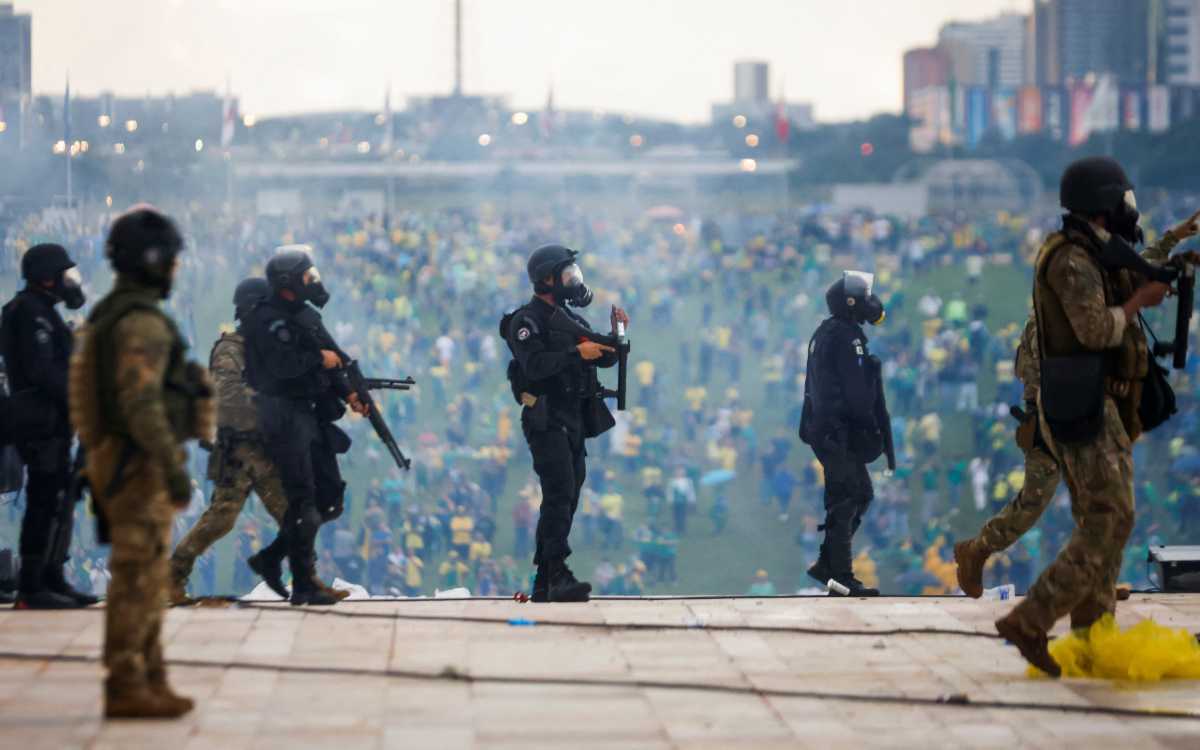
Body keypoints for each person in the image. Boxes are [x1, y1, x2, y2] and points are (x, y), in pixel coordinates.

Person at [994, 157, 1200, 676]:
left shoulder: (1090, 249)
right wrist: (1139, 304)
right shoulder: (1069, 259)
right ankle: (1032, 617)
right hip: (1083, 402)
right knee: (1112, 516)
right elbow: (1092, 328)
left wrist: (1171, 251)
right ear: (1104, 203)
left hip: (1100, 403)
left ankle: (1091, 633)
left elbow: (1133, 267)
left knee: (1104, 519)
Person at [69, 206, 213, 718]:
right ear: (153, 261)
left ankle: (148, 676)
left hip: (121, 460)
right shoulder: (141, 324)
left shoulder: (113, 314)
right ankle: (128, 681)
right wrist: (173, 469)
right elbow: (141, 404)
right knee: (136, 579)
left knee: (147, 577)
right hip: (138, 465)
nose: (175, 269)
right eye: (170, 260)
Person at [167, 278, 348, 604]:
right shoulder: (231, 349)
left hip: (268, 450)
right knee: (220, 519)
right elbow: (229, 396)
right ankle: (171, 577)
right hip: (238, 449)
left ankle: (307, 583)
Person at [242, 246, 368, 606]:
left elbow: (334, 360)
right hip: (281, 416)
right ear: (287, 283)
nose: (313, 282)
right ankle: (304, 581)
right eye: (306, 277)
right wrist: (319, 359)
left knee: (330, 497)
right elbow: (284, 366)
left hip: (310, 414)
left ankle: (272, 557)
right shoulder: (267, 319)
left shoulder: (306, 315)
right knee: (304, 501)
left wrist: (349, 393)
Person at [502, 244, 626, 602]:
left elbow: (603, 359)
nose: (574, 281)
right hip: (546, 417)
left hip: (573, 417)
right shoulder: (526, 321)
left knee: (568, 496)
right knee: (559, 494)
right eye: (566, 275)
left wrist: (615, 340)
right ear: (546, 280)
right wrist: (576, 353)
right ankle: (557, 573)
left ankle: (545, 581)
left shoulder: (571, 319)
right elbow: (534, 365)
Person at [1, 242, 96, 608]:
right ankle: (31, 586)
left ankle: (52, 578)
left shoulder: (44, 311)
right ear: (45, 278)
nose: (68, 282)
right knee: (42, 503)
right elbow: (43, 371)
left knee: (57, 500)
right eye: (62, 275)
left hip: (53, 419)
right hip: (37, 420)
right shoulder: (28, 312)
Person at [799, 271, 890, 597]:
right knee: (850, 495)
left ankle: (829, 564)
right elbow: (856, 393)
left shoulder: (827, 331)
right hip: (837, 432)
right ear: (850, 303)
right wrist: (870, 426)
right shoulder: (848, 338)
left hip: (825, 431)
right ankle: (839, 573)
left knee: (857, 492)